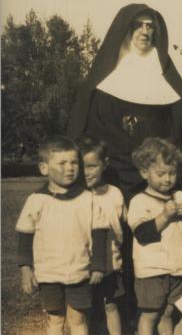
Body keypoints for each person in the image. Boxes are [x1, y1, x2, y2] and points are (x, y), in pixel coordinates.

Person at [67, 3, 182, 205]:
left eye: (150, 26)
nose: (145, 31)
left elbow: (181, 132)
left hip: (156, 173)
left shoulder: (167, 79)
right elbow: (94, 128)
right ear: (125, 29)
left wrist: (155, 158)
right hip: (114, 171)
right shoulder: (103, 81)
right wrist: (128, 156)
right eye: (138, 25)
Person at [16, 136, 109, 335]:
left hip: (79, 271)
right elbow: (25, 236)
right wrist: (26, 268)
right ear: (44, 168)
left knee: (78, 319)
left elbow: (100, 233)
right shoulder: (36, 201)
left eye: (74, 162)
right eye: (62, 163)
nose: (70, 168)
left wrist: (99, 266)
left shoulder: (88, 200)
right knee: (55, 319)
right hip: (48, 273)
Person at [127, 138, 182, 335]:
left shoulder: (180, 196)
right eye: (161, 174)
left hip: (179, 268)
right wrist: (165, 216)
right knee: (150, 314)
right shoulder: (140, 201)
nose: (167, 179)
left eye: (172, 173)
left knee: (168, 312)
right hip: (152, 270)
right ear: (144, 173)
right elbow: (143, 234)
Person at [77, 135, 127, 335]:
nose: (85, 172)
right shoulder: (77, 197)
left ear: (105, 164)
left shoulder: (115, 194)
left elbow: (121, 226)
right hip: (82, 265)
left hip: (111, 264)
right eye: (81, 167)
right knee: (83, 310)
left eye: (91, 166)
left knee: (111, 305)